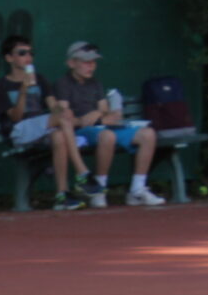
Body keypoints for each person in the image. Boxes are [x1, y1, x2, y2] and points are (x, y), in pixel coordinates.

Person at [50, 40, 162, 207]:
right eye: (86, 62)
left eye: (93, 62)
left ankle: (137, 190)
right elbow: (64, 118)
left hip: (102, 127)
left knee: (148, 134)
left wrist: (98, 115)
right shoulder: (63, 84)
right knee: (107, 136)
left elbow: (106, 113)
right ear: (71, 63)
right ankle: (98, 190)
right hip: (81, 132)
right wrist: (85, 119)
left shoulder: (96, 84)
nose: (91, 66)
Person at [0, 34, 91, 210]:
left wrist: (61, 110)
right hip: (18, 132)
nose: (28, 57)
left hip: (42, 130)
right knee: (60, 124)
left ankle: (61, 194)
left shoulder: (41, 79)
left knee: (59, 136)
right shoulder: (1, 86)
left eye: (30, 53)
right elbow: (15, 117)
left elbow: (53, 107)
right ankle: (82, 172)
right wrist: (23, 89)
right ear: (9, 58)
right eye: (22, 53)